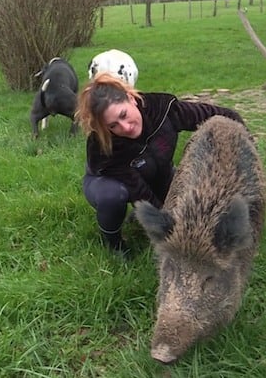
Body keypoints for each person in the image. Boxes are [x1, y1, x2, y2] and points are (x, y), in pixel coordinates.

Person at [75, 72, 245, 259]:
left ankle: (141, 216)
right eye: (113, 125)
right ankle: (113, 242)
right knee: (114, 196)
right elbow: (137, 189)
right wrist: (165, 221)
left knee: (190, 207)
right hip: (109, 182)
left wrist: (244, 139)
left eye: (123, 115)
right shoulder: (104, 149)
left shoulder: (164, 111)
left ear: (131, 98)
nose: (125, 127)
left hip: (158, 173)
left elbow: (219, 116)